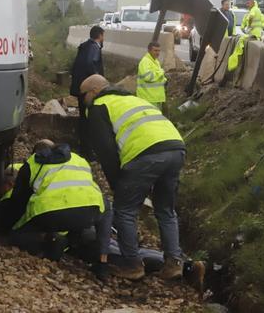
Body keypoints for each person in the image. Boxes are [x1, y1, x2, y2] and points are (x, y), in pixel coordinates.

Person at [79, 74, 186, 281]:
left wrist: (117, 184)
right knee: (165, 209)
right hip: (176, 148)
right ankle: (174, 263)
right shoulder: (133, 99)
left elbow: (106, 151)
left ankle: (133, 265)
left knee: (124, 210)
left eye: (83, 95)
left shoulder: (99, 106)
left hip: (146, 154)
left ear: (93, 91)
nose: (82, 99)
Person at [0, 140, 112, 276]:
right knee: (105, 207)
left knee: (17, 236)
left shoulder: (33, 163)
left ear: (35, 153)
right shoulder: (78, 160)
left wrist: (6, 225)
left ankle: (49, 240)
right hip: (90, 211)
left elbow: (18, 204)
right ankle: (101, 260)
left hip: (50, 214)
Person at [70, 26, 105, 158]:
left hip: (81, 88)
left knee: (83, 118)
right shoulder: (94, 48)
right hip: (89, 90)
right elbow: (91, 64)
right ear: (100, 36)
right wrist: (98, 80)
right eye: (103, 36)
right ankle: (88, 152)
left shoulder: (84, 46)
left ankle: (84, 148)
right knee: (89, 119)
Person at [227, 0, 264, 73]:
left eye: (248, 3)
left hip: (255, 34)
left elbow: (251, 18)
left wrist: (249, 26)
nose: (247, 5)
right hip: (254, 33)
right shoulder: (251, 12)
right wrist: (244, 29)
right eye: (247, 3)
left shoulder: (254, 10)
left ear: (253, 3)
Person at [136, 42, 167, 111]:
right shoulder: (145, 62)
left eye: (159, 50)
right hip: (148, 99)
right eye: (155, 50)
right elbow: (148, 77)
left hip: (156, 98)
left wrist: (164, 80)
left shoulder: (155, 61)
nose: (157, 53)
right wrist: (161, 72)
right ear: (149, 51)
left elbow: (158, 77)